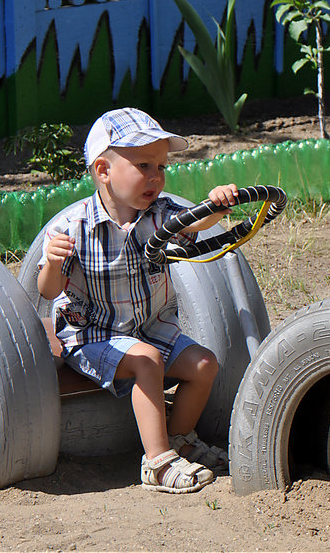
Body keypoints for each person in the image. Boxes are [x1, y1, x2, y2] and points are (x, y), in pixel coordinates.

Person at [38, 107, 237, 494]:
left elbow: (196, 221)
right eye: (144, 165)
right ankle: (157, 463)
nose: (156, 177)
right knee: (145, 359)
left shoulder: (161, 214)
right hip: (94, 338)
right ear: (103, 171)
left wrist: (217, 204)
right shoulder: (72, 227)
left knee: (204, 364)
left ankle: (179, 440)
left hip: (150, 329)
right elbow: (48, 291)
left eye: (161, 166)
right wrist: (53, 260)